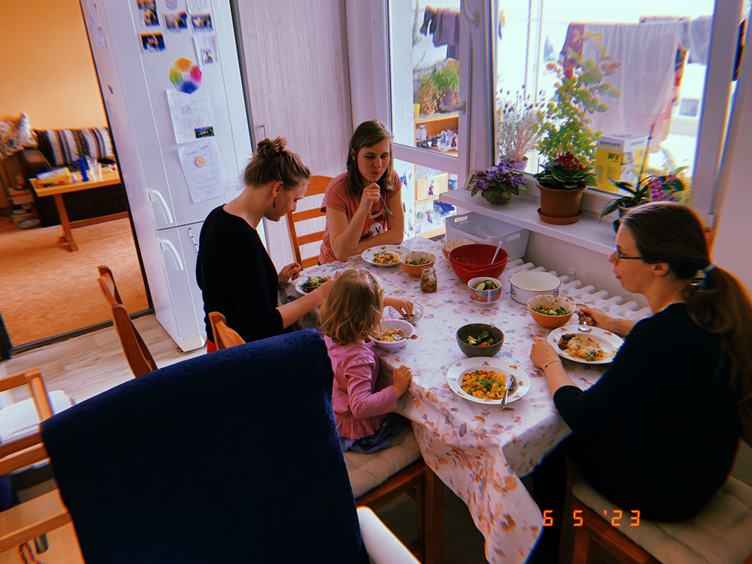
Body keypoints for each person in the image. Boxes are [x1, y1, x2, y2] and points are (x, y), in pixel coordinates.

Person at [528, 202, 752, 560]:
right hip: (705, 476)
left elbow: (581, 415)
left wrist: (549, 362)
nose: (611, 259)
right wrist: (614, 324)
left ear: (659, 266)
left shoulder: (657, 335)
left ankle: (543, 551)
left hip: (664, 497)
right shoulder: (714, 310)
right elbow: (668, 340)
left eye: (621, 253)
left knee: (549, 440)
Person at [196, 137, 333, 351]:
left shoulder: (217, 217)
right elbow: (264, 324)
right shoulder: (241, 237)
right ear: (277, 189)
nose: (294, 208)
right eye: (295, 199)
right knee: (336, 344)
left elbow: (216, 285)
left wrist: (271, 282)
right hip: (244, 354)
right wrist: (320, 294)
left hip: (219, 346)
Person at [320, 269, 414, 452]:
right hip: (355, 431)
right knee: (405, 419)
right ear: (370, 315)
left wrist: (389, 301)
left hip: (334, 411)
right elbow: (360, 407)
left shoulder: (333, 333)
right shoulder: (359, 359)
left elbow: (354, 302)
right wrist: (396, 388)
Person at [318, 120, 405, 264]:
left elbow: (397, 235)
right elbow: (341, 253)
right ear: (354, 154)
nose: (378, 165)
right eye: (370, 156)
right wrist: (364, 208)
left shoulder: (392, 179)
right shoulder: (337, 190)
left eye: (384, 156)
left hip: (373, 259)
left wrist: (357, 248)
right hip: (336, 266)